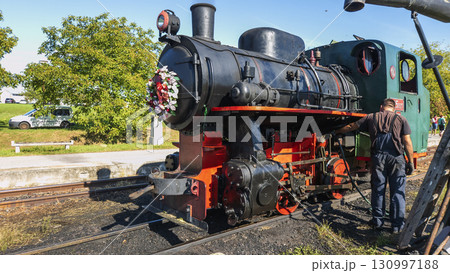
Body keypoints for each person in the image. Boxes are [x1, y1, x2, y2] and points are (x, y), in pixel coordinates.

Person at [334, 98, 414, 234]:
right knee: (398, 192)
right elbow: (407, 141)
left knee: (378, 189)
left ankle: (378, 222)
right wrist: (410, 162)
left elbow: (351, 127)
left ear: (381, 106)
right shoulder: (401, 119)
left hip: (379, 158)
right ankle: (397, 226)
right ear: (394, 108)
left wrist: (337, 131)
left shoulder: (371, 117)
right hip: (396, 159)